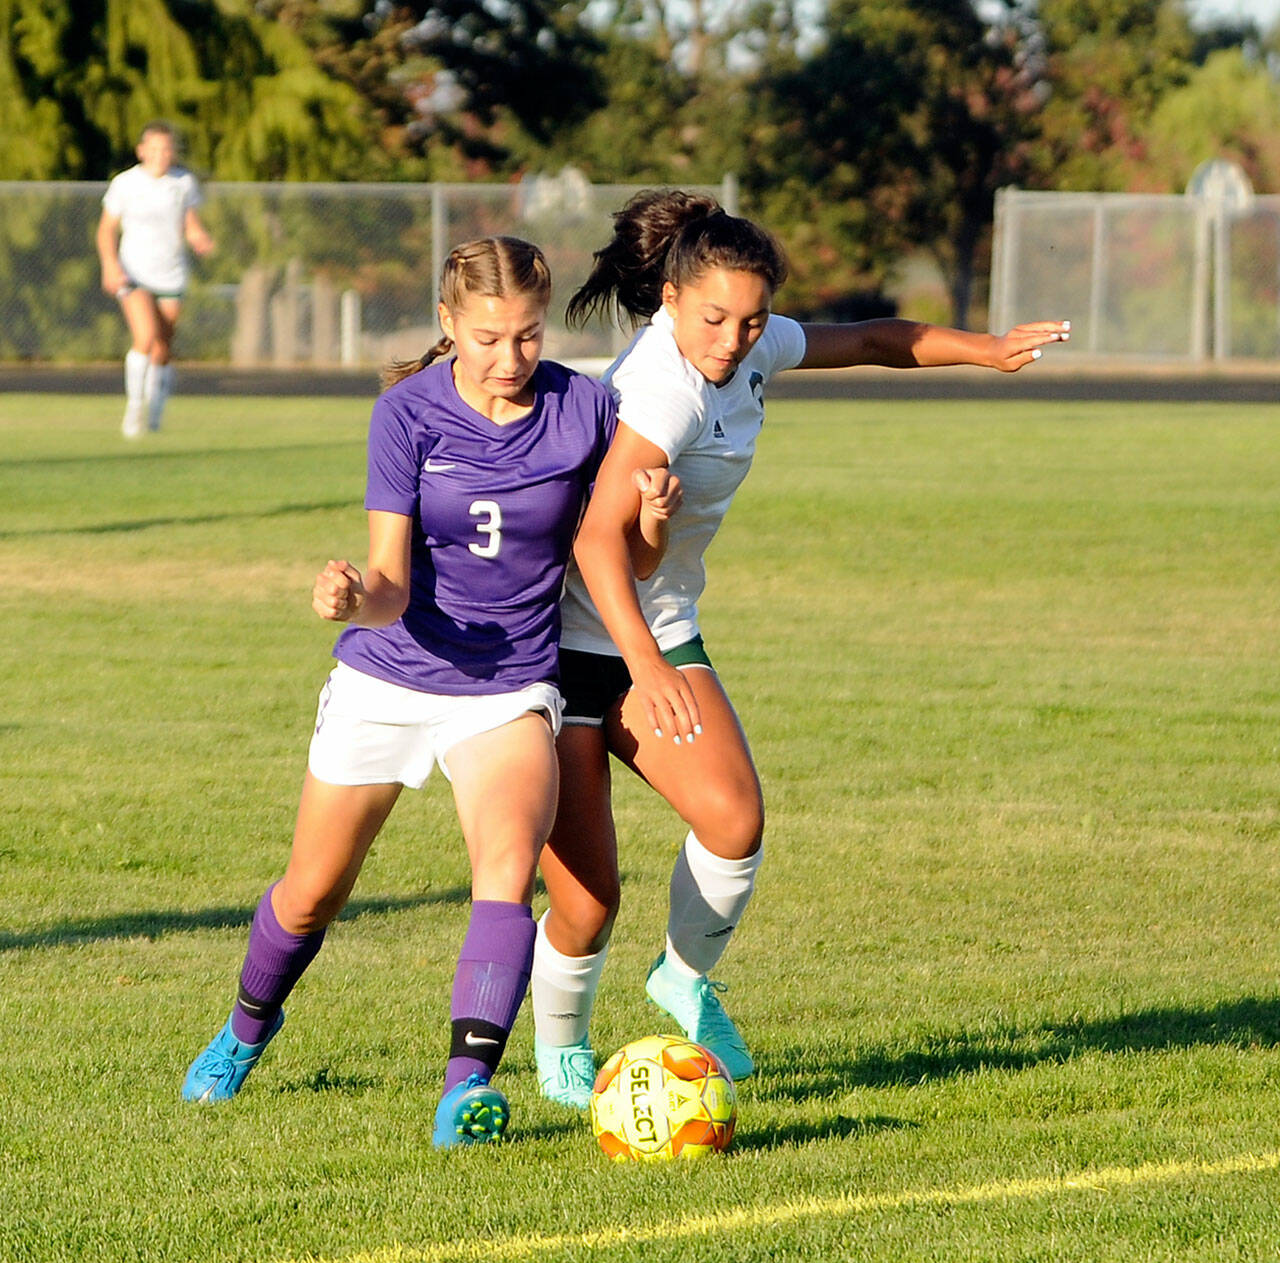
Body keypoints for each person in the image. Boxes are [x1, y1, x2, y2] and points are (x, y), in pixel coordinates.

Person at [530, 189, 1070, 1108]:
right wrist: (648, 670)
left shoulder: (751, 344)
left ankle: (682, 981)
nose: (736, 337)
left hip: (656, 627)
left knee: (734, 824)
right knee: (587, 900)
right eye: (715, 318)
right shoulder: (662, 389)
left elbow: (869, 339)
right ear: (668, 299)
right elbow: (593, 543)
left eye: (753, 319)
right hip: (562, 644)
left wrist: (984, 348)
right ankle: (560, 1049)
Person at [180, 236, 678, 1148]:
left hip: (510, 686)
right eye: (488, 337)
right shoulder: (405, 414)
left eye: (528, 336)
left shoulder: (585, 408)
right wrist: (348, 597)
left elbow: (622, 560)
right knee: (312, 893)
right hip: (391, 676)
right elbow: (389, 583)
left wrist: (649, 517)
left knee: (505, 876)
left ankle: (466, 1091)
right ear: (449, 325)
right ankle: (245, 1030)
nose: (510, 359)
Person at [96, 121, 214, 438]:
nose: (161, 155)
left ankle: (156, 411)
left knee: (163, 347)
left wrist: (199, 236)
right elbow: (107, 229)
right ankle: (134, 409)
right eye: (154, 149)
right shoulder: (125, 183)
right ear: (141, 151)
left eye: (167, 149)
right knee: (145, 337)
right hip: (133, 271)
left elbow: (190, 223)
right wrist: (109, 264)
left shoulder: (183, 183)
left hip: (171, 273)